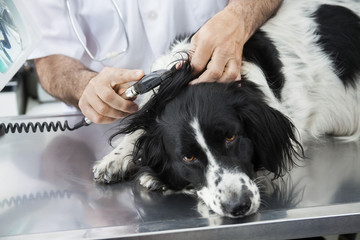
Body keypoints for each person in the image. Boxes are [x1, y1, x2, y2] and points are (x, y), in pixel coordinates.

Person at [24, 0, 282, 124]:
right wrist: (86, 87)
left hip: (226, 113)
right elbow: (51, 59)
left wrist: (239, 17)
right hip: (111, 130)